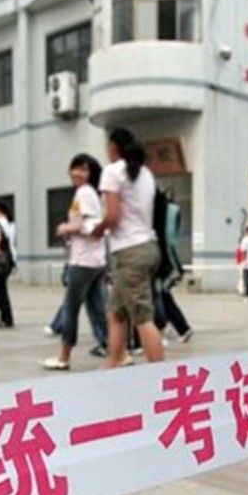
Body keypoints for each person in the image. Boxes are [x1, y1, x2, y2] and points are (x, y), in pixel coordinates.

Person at [94, 128, 165, 367]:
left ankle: (162, 375)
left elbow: (113, 216)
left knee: (142, 317)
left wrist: (97, 229)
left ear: (114, 147)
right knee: (116, 312)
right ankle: (113, 364)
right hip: (148, 246)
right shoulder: (145, 173)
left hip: (130, 251)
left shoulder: (112, 171)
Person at [43, 154, 110, 370]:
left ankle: (64, 357)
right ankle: (114, 349)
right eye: (75, 168)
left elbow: (89, 224)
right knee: (97, 308)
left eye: (83, 169)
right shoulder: (94, 194)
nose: (77, 173)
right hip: (96, 260)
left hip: (83, 261)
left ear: (91, 173)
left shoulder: (85, 192)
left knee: (70, 309)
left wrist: (66, 228)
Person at [158, 190, 193, 343]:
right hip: (171, 261)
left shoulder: (165, 211)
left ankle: (177, 327)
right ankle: (178, 327)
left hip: (167, 262)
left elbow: (168, 239)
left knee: (161, 295)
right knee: (163, 296)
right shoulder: (173, 211)